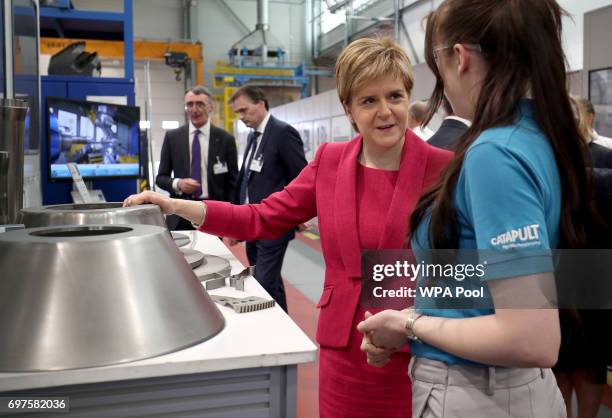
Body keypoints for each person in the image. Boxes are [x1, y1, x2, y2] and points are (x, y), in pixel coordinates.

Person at [123, 37, 453, 418]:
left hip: (414, 354)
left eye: (395, 96)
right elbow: (261, 217)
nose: (385, 112)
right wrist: (177, 205)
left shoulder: (443, 169)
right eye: (368, 100)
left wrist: (409, 321)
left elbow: (465, 272)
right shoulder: (329, 163)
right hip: (342, 353)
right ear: (348, 109)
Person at [357, 1, 593, 417]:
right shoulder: (536, 135)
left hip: (475, 394)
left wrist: (408, 325)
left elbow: (531, 337)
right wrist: (413, 314)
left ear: (460, 58)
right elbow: (492, 289)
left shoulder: (494, 153)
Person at [552, 96, 612, 418]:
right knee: (580, 365)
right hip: (589, 277)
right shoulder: (601, 166)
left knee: (577, 365)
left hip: (567, 276)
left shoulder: (549, 169)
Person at [228, 86, 307, 312]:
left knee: (262, 282)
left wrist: (298, 214)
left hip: (275, 224)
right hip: (254, 223)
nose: (242, 117)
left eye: (244, 110)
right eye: (238, 113)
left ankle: (269, 334)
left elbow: (301, 177)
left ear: (261, 103)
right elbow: (247, 178)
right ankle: (286, 329)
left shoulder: (283, 133)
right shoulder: (255, 137)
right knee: (270, 281)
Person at [156, 85, 238, 230]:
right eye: (190, 104)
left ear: (210, 107)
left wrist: (233, 220)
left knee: (213, 253)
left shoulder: (226, 139)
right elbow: (161, 178)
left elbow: (232, 184)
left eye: (200, 104)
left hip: (214, 213)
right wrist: (178, 183)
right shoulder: (172, 138)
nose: (194, 109)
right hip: (180, 212)